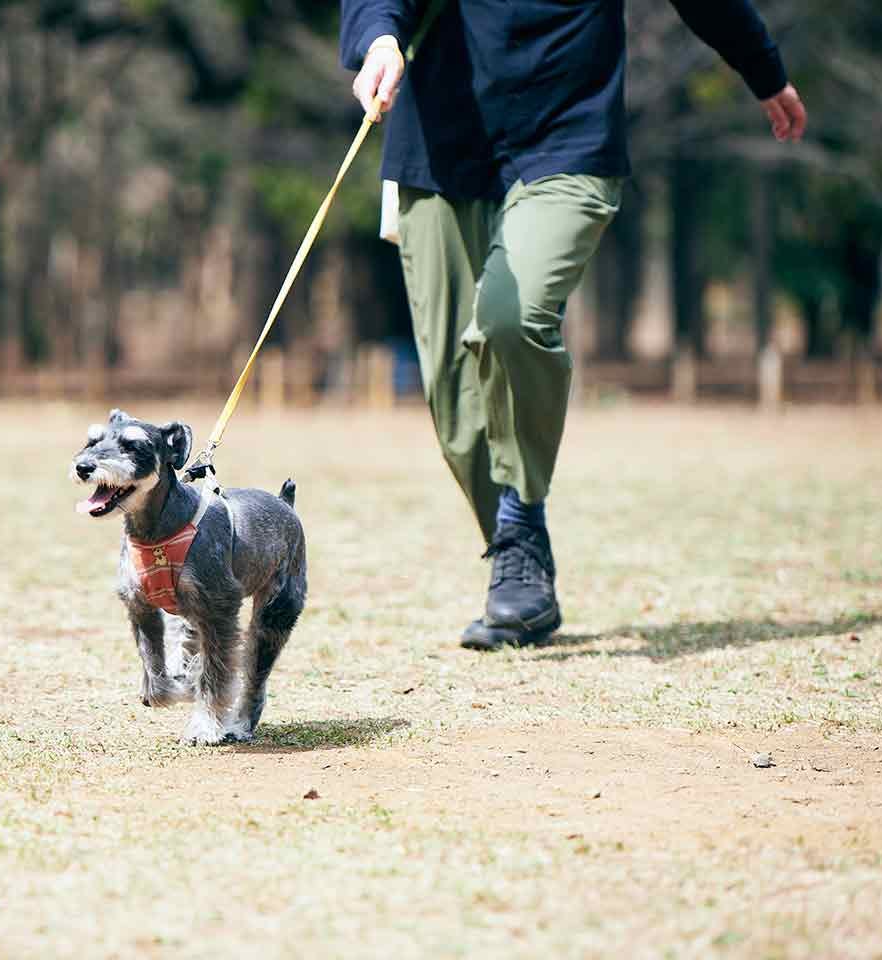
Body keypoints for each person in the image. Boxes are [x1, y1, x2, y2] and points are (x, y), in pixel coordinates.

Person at [339, 0, 806, 649]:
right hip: (441, 139)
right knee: (455, 402)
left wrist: (763, 69)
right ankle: (518, 562)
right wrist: (379, 38)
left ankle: (521, 522)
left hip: (568, 136)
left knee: (511, 314)